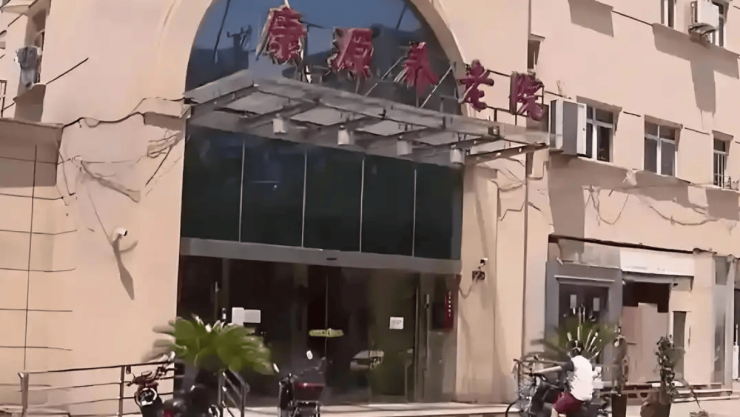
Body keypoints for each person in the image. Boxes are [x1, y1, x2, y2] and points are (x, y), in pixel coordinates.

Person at [536, 340, 595, 417]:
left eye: (569, 351)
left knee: (555, 409)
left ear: (573, 351)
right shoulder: (587, 362)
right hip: (587, 396)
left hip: (577, 396)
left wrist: (537, 372)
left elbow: (558, 369)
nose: (568, 353)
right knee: (562, 411)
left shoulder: (574, 361)